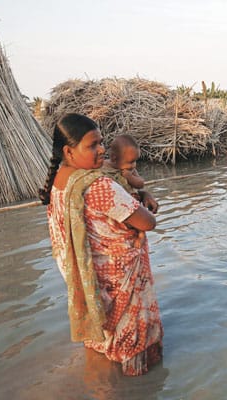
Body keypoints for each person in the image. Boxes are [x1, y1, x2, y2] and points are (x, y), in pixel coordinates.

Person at [39, 113, 163, 375]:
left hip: (90, 280)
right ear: (68, 151)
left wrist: (141, 192)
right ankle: (136, 387)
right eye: (92, 145)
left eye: (101, 142)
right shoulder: (98, 185)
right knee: (130, 344)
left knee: (101, 343)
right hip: (119, 280)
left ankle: (100, 383)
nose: (102, 150)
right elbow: (147, 222)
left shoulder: (60, 182)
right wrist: (145, 198)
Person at [102, 134, 146, 200]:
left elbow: (141, 184)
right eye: (130, 162)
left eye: (135, 161)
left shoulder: (130, 171)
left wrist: (130, 177)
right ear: (114, 159)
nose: (134, 165)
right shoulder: (103, 167)